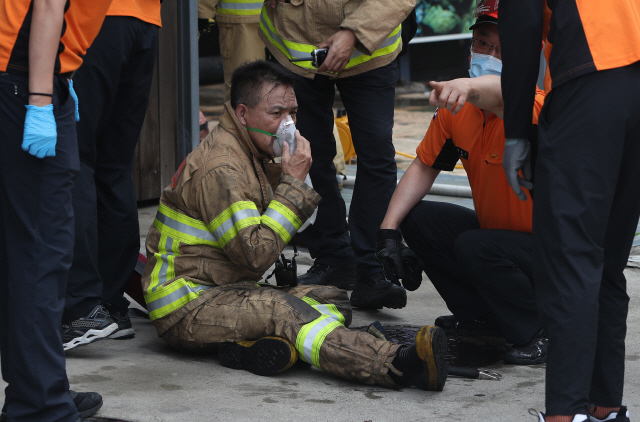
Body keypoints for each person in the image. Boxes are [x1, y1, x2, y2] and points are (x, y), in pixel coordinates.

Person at [141, 60, 449, 392]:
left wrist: (288, 178)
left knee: (333, 298)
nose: (288, 123)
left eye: (293, 112)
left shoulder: (248, 151)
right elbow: (255, 257)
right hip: (187, 304)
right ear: (242, 114)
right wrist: (292, 186)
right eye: (276, 113)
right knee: (285, 311)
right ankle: (397, 364)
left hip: (225, 288)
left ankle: (249, 346)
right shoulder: (223, 167)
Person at [374, 3, 547, 365]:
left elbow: (501, 96)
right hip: (498, 241)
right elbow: (424, 166)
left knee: (476, 246)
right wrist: (389, 232)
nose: (490, 55)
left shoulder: (537, 107)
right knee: (419, 219)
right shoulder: (457, 113)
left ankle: (541, 331)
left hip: (553, 256)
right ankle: (482, 319)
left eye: (503, 49)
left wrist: (466, 85)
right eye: (483, 44)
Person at [498, 0, 640, 421]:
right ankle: (603, 409)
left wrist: (517, 131)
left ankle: (566, 414)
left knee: (572, 260)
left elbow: (522, 29)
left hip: (590, 82)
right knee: (607, 263)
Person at [259, 0, 415, 310]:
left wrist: (355, 32)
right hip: (295, 48)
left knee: (376, 154)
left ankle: (373, 269)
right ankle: (333, 257)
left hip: (371, 50)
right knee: (305, 153)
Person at [0, 0, 114, 420]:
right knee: (40, 251)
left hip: (25, 75)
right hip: (23, 79)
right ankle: (41, 406)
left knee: (24, 249)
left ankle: (36, 388)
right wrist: (41, 100)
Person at [61, 0, 162, 351]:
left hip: (92, 22)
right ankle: (111, 306)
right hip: (145, 22)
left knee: (76, 163)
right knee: (113, 167)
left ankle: (83, 309)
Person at [198, 0, 265, 101]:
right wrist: (203, 15)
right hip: (242, 24)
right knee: (246, 90)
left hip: (284, 19)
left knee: (285, 89)